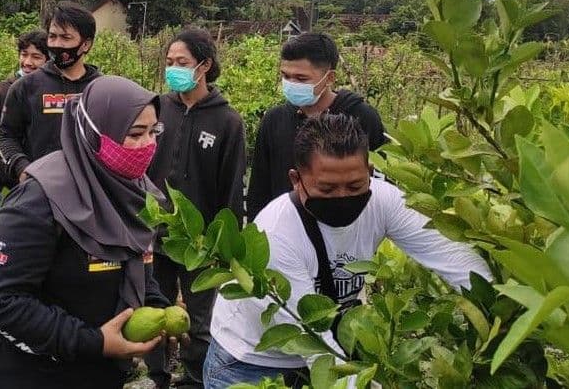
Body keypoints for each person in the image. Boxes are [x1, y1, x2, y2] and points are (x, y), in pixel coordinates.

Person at [204, 113, 492, 388]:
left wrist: (498, 311)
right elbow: (314, 344)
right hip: (250, 362)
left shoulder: (385, 201)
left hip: (323, 355)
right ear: (296, 179)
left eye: (355, 185)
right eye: (327, 189)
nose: (343, 197)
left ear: (370, 172)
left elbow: (453, 256)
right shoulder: (276, 233)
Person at [0, 76, 173, 388]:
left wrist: (157, 307)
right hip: (22, 374)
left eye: (153, 131)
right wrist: (93, 341)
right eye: (134, 134)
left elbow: (137, 267)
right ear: (94, 133)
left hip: (90, 371)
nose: (147, 145)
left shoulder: (134, 194)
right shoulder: (40, 200)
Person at [145, 28, 247, 388]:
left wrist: (224, 247)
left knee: (202, 319)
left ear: (204, 65)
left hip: (199, 243)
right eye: (170, 62)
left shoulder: (227, 122)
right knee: (153, 312)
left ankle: (194, 379)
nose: (173, 69)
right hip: (154, 235)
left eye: (182, 63)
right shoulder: (156, 109)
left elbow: (232, 188)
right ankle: (157, 375)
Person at [246, 32, 386, 221]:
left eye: (301, 79)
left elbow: (380, 184)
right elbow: (259, 187)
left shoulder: (362, 117)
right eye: (285, 76)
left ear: (329, 78)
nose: (291, 84)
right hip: (285, 231)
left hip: (347, 232)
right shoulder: (274, 120)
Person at [0, 1, 101, 184]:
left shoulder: (102, 89)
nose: (56, 44)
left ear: (86, 44)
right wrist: (23, 170)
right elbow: (6, 135)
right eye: (52, 36)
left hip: (89, 189)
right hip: (40, 189)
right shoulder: (25, 87)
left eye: (66, 38)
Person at [0, 29, 48, 213]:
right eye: (24, 55)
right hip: (5, 183)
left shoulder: (51, 94)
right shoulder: (1, 91)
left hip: (42, 183)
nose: (28, 62)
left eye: (36, 57)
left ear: (48, 60)